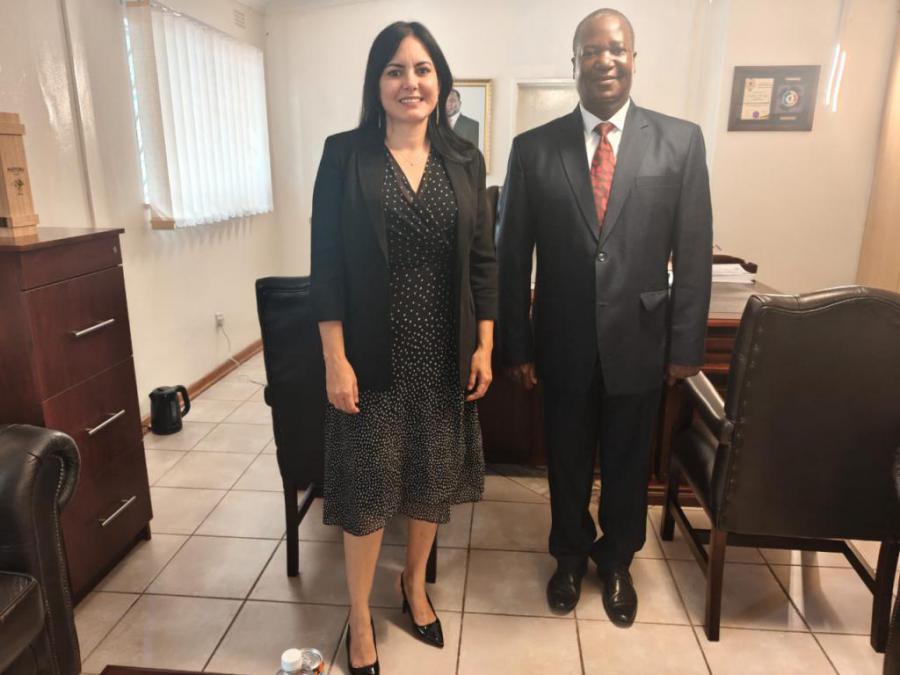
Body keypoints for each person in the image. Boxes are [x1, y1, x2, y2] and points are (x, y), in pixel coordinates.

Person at [497, 8, 712, 626]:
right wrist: (517, 344)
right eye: (591, 51)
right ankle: (568, 556)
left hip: (641, 340)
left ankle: (617, 561)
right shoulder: (533, 150)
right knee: (565, 460)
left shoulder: (680, 142)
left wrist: (685, 346)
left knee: (626, 461)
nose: (604, 60)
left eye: (616, 49)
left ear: (634, 59)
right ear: (575, 64)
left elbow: (693, 250)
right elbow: (511, 258)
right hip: (561, 339)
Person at [310, 21, 497, 675]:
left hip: (444, 354)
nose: (409, 82)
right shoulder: (344, 155)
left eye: (422, 69)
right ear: (376, 83)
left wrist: (485, 345)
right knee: (366, 495)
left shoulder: (465, 159)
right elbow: (326, 264)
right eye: (395, 70)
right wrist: (334, 358)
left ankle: (413, 584)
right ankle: (360, 616)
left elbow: (483, 260)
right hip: (370, 356)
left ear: (440, 81)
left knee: (429, 481)